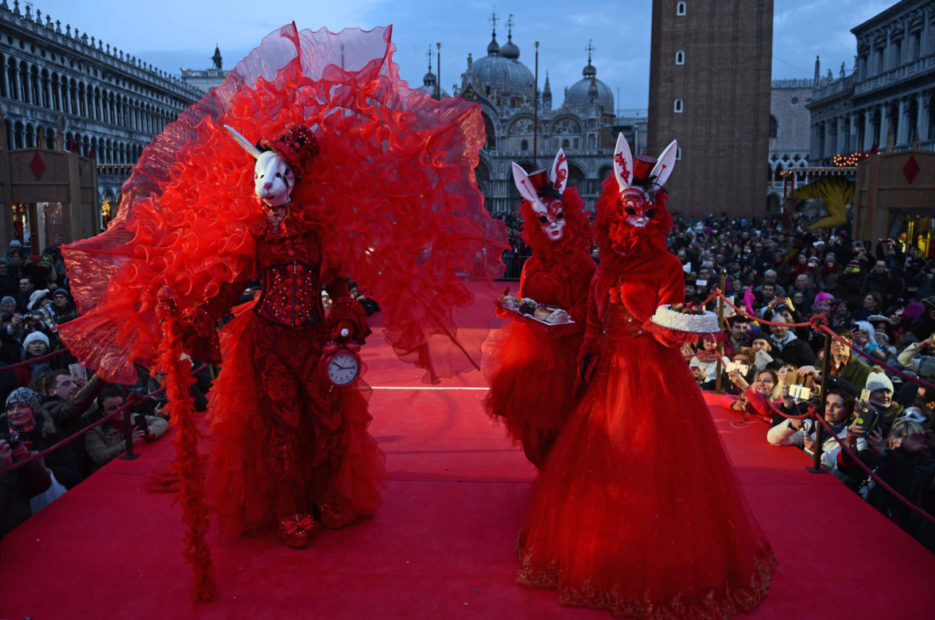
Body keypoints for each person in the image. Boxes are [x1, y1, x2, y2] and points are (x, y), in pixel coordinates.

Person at [58, 23, 506, 567]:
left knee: (327, 418)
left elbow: (341, 286)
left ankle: (323, 496)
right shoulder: (252, 238)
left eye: (276, 175)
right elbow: (228, 287)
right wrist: (190, 311)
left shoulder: (319, 234)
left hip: (314, 342)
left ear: (294, 181)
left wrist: (342, 320)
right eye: (259, 176)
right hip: (268, 340)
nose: (266, 184)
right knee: (284, 425)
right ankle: (292, 507)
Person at [516, 135, 774, 617]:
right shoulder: (605, 266)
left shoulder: (668, 265)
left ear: (656, 213)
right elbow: (592, 325)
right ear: (614, 211)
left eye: (645, 208)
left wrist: (667, 326)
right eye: (629, 206)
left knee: (654, 463)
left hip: (652, 376)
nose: (637, 215)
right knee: (604, 463)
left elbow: (669, 325)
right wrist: (583, 364)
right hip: (607, 374)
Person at [483, 150, 595, 467]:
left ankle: (561, 484)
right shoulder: (531, 263)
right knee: (533, 431)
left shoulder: (583, 265)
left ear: (571, 217)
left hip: (566, 360)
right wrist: (511, 308)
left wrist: (560, 321)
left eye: (559, 217)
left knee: (561, 430)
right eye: (543, 219)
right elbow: (525, 302)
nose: (552, 225)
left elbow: (588, 313)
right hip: (530, 356)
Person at [85, 388, 169, 468]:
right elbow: (100, 457)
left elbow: (161, 422)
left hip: (140, 464)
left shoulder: (133, 417)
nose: (120, 410)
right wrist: (129, 442)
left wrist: (151, 433)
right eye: (112, 408)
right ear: (102, 412)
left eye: (121, 405)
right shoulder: (94, 432)